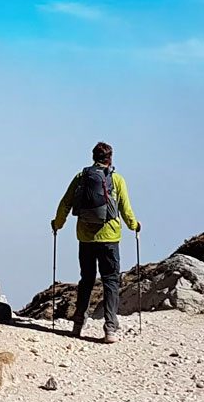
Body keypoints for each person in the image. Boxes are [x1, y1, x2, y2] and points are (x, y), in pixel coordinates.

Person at [51, 142, 140, 343]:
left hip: (85, 237)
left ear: (93, 157)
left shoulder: (81, 177)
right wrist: (134, 226)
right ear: (110, 158)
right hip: (110, 238)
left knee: (87, 280)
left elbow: (65, 203)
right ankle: (110, 329)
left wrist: (58, 224)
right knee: (110, 281)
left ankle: (77, 324)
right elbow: (125, 209)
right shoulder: (116, 179)